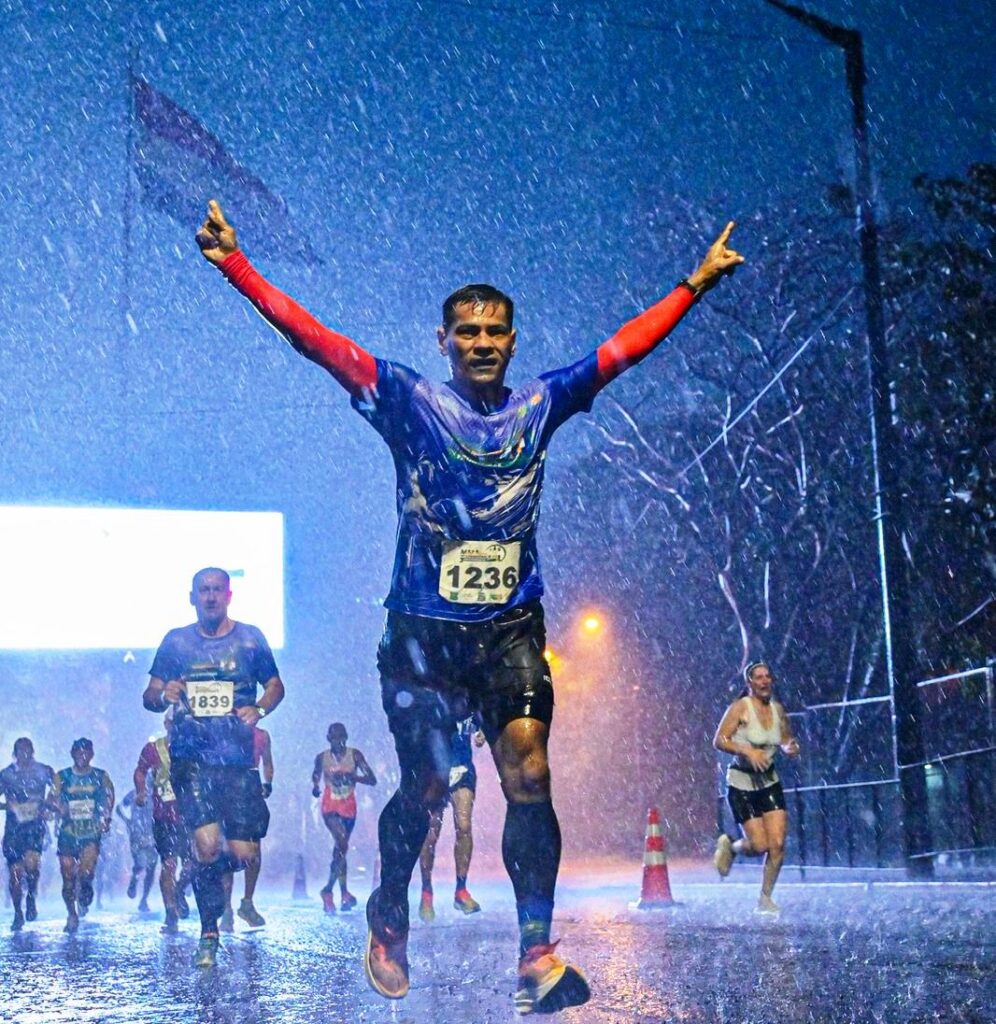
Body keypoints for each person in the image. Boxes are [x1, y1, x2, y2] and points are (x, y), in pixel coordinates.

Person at [197, 199, 742, 1013]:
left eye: (496, 332)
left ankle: (536, 953)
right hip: (421, 638)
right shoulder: (410, 400)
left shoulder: (542, 405)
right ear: (443, 341)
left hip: (511, 631)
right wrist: (240, 269)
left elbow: (620, 352)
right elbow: (318, 344)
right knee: (423, 787)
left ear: (512, 342)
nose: (482, 343)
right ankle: (387, 914)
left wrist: (693, 285)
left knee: (528, 768)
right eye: (468, 332)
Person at [143, 566, 285, 968]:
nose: (209, 597)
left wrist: (258, 708)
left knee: (241, 853)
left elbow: (276, 686)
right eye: (202, 591)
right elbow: (150, 694)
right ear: (192, 597)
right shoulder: (176, 642)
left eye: (216, 590)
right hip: (192, 760)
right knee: (206, 847)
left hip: (238, 762)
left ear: (228, 596)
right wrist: (163, 693)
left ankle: (211, 876)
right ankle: (209, 931)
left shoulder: (250, 638)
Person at [712, 660, 801, 913]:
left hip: (769, 782)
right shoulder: (741, 708)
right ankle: (731, 845)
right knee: (759, 845)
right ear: (749, 683)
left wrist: (790, 747)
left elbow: (784, 739)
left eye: (767, 677)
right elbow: (719, 740)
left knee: (778, 843)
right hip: (741, 784)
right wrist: (747, 750)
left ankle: (765, 898)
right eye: (758, 678)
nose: (764, 681)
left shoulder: (778, 710)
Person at [418, 714, 486, 922]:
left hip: (462, 769)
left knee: (464, 826)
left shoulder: (470, 702)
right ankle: (426, 891)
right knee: (431, 835)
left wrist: (482, 733)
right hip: (435, 771)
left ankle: (461, 890)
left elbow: (484, 724)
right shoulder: (434, 698)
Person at [134, 711, 193, 933]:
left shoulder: (195, 746)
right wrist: (141, 792)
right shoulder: (154, 749)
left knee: (194, 863)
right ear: (166, 724)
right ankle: (170, 912)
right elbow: (140, 770)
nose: (176, 728)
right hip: (165, 817)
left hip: (191, 816)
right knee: (169, 864)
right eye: (173, 723)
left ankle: (179, 890)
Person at [50, 738, 114, 933]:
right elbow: (52, 797)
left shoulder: (100, 776)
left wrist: (105, 816)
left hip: (90, 832)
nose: (82, 757)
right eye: (78, 753)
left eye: (86, 753)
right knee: (67, 875)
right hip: (68, 832)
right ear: (72, 754)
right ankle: (71, 914)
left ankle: (86, 888)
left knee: (86, 872)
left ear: (92, 755)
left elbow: (109, 796)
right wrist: (57, 807)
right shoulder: (62, 776)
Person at [311, 723, 377, 913]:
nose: (337, 743)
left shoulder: (355, 755)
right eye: (333, 739)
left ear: (345, 739)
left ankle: (341, 892)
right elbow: (315, 778)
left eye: (340, 739)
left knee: (341, 850)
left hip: (349, 807)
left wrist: (352, 778)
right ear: (328, 739)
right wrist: (315, 788)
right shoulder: (322, 758)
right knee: (341, 842)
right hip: (330, 806)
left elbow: (372, 779)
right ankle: (329, 891)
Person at [220, 724, 273, 930]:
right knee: (227, 852)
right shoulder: (222, 732)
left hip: (250, 789)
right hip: (227, 788)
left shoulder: (262, 735)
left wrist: (268, 783)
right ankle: (226, 908)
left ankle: (247, 902)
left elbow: (267, 762)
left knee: (254, 849)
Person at [0, 738, 54, 932]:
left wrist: (48, 806)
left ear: (32, 751)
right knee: (15, 873)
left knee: (31, 864)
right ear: (15, 753)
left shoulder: (43, 771)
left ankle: (31, 894)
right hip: (14, 830)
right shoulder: (6, 775)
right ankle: (17, 912)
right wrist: (11, 806)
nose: (24, 755)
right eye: (20, 751)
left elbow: (57, 790)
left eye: (27, 750)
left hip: (34, 828)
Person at [117, 788, 157, 912]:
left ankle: (144, 899)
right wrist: (127, 821)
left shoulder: (157, 793)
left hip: (153, 833)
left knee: (151, 867)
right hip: (137, 834)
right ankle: (135, 877)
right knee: (140, 862)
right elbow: (119, 808)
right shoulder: (133, 793)